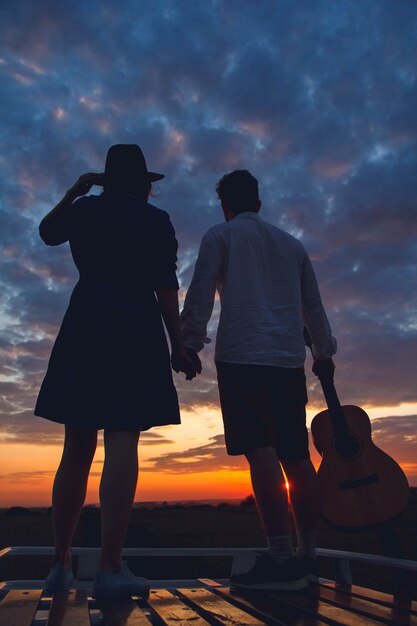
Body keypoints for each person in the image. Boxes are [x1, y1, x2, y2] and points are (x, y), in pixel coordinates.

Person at [35, 144, 199, 598]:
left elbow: (47, 232)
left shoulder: (85, 210)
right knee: (123, 440)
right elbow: (165, 287)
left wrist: (76, 189)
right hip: (134, 330)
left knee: (76, 447)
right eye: (149, 181)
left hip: (85, 324)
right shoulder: (155, 221)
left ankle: (59, 564)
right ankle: (109, 567)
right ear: (142, 183)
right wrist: (178, 346)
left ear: (107, 181)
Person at [180, 169, 336, 591]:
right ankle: (308, 556)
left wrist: (188, 343)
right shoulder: (293, 246)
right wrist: (324, 351)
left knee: (262, 453)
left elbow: (200, 292)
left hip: (242, 358)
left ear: (225, 205)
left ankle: (281, 557)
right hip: (287, 361)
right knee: (296, 456)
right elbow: (314, 308)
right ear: (259, 203)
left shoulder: (220, 236)